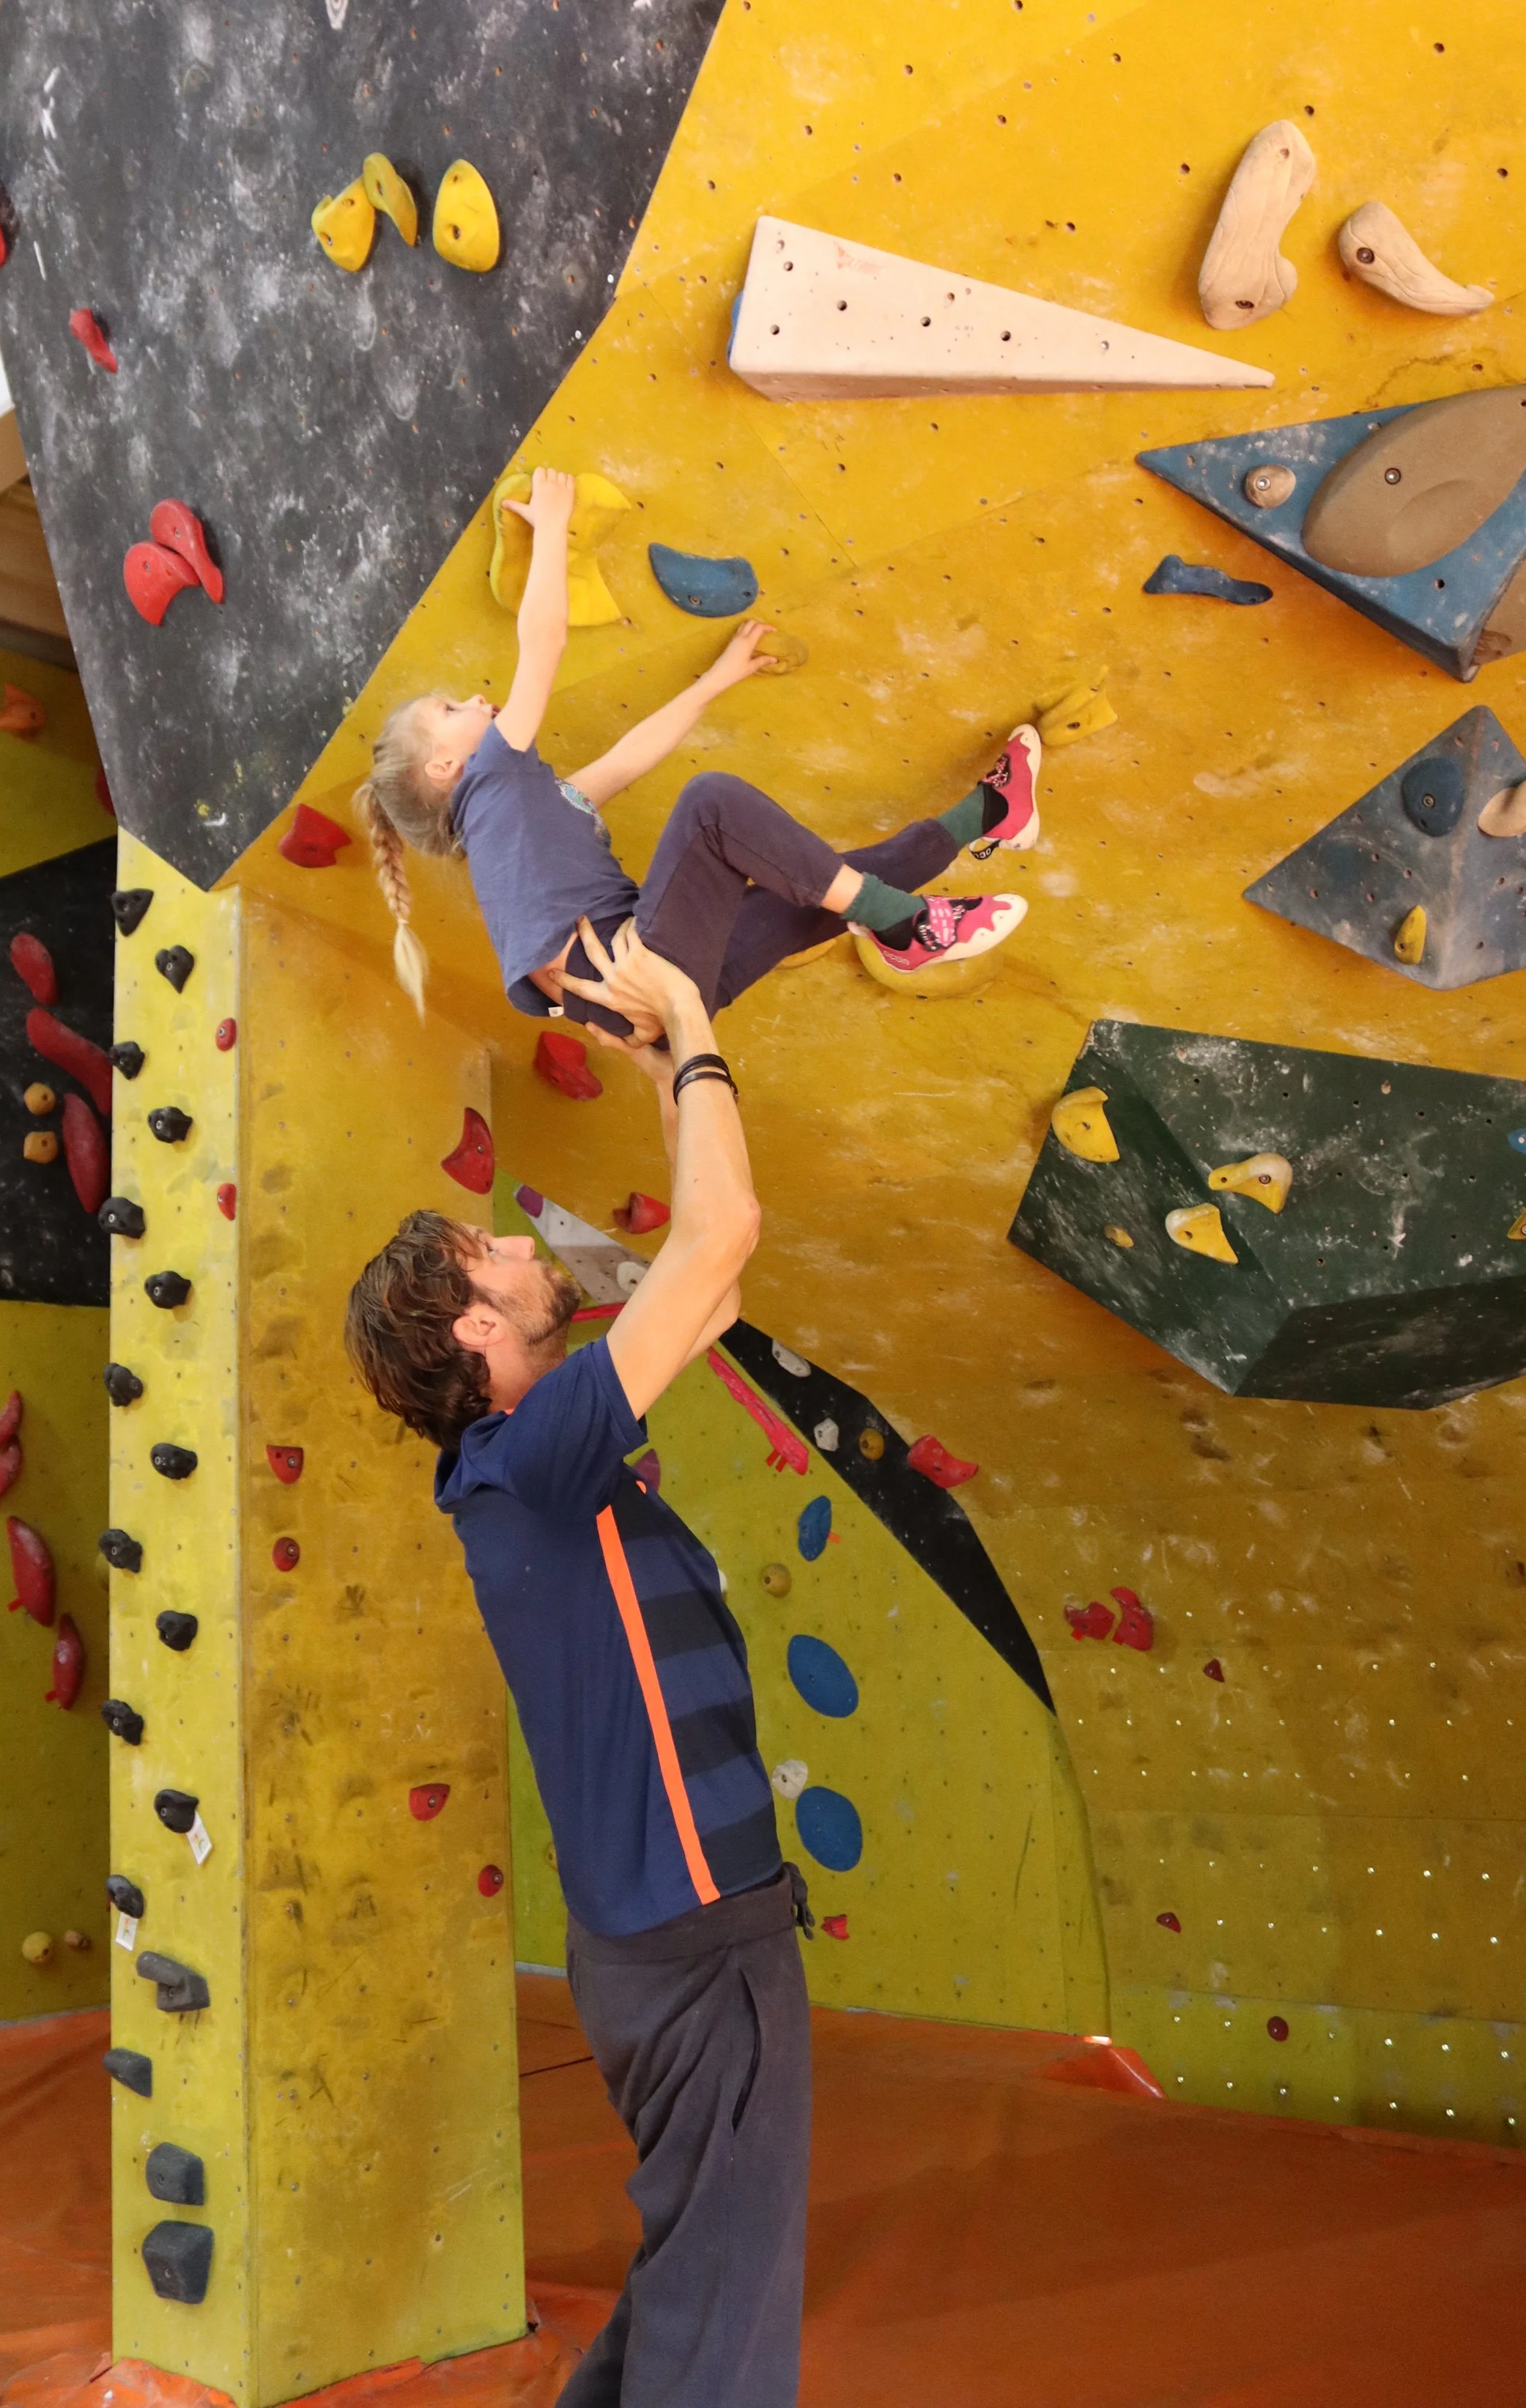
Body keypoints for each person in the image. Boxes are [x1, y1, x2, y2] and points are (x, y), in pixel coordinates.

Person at [346, 922, 811, 2408]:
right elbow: (718, 1239)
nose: (516, 1245)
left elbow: (713, 1287)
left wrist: (669, 1071)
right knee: (721, 2329)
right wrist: (694, 1030)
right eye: (488, 1250)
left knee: (696, 2279)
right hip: (693, 1942)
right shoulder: (530, 1461)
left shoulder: (527, 1466)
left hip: (668, 1941)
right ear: (474, 1326)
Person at [356, 465, 1040, 1027]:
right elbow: (542, 644)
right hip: (639, 964)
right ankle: (904, 928)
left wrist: (715, 681)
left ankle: (991, 813)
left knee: (830, 880)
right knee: (712, 806)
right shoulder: (493, 779)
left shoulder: (526, 817)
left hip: (663, 989)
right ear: (446, 767)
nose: (476, 700)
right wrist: (555, 528)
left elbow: (628, 758)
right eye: (451, 710)